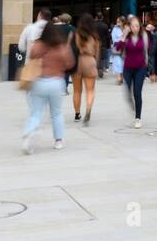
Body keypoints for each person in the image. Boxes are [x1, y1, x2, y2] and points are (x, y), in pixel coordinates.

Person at [23, 22, 71, 153]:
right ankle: (59, 140)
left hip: (39, 82)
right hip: (56, 82)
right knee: (56, 113)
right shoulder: (61, 47)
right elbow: (69, 63)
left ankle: (29, 133)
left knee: (36, 112)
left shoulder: (38, 45)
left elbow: (32, 56)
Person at [116, 16, 150, 128]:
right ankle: (133, 110)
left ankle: (138, 117)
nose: (135, 28)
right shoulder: (126, 37)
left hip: (141, 68)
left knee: (137, 92)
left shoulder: (144, 36)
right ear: (129, 26)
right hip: (128, 68)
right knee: (127, 94)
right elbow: (117, 48)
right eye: (133, 25)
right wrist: (124, 35)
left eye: (137, 25)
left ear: (140, 26)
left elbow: (148, 51)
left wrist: (151, 69)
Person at [71, 14, 100, 125]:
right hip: (90, 61)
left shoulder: (76, 34)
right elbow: (97, 53)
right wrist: (95, 65)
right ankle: (88, 110)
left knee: (77, 91)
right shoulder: (94, 36)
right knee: (90, 90)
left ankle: (77, 114)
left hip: (77, 62)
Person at [110, 18, 125, 83]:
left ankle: (121, 77)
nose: (117, 22)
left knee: (123, 62)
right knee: (117, 62)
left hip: (125, 48)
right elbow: (113, 38)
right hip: (117, 47)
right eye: (117, 21)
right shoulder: (115, 29)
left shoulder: (126, 28)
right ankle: (119, 77)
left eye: (119, 21)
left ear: (123, 22)